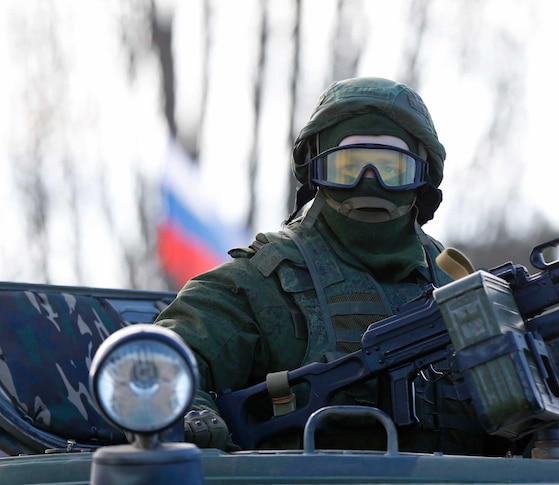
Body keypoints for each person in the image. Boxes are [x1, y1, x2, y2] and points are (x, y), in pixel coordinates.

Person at [154, 77, 515, 455]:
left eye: (392, 169)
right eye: (349, 166)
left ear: (422, 178)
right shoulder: (259, 286)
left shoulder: (461, 291)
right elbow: (161, 366)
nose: (369, 182)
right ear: (316, 170)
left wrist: (549, 413)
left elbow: (512, 431)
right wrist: (191, 416)